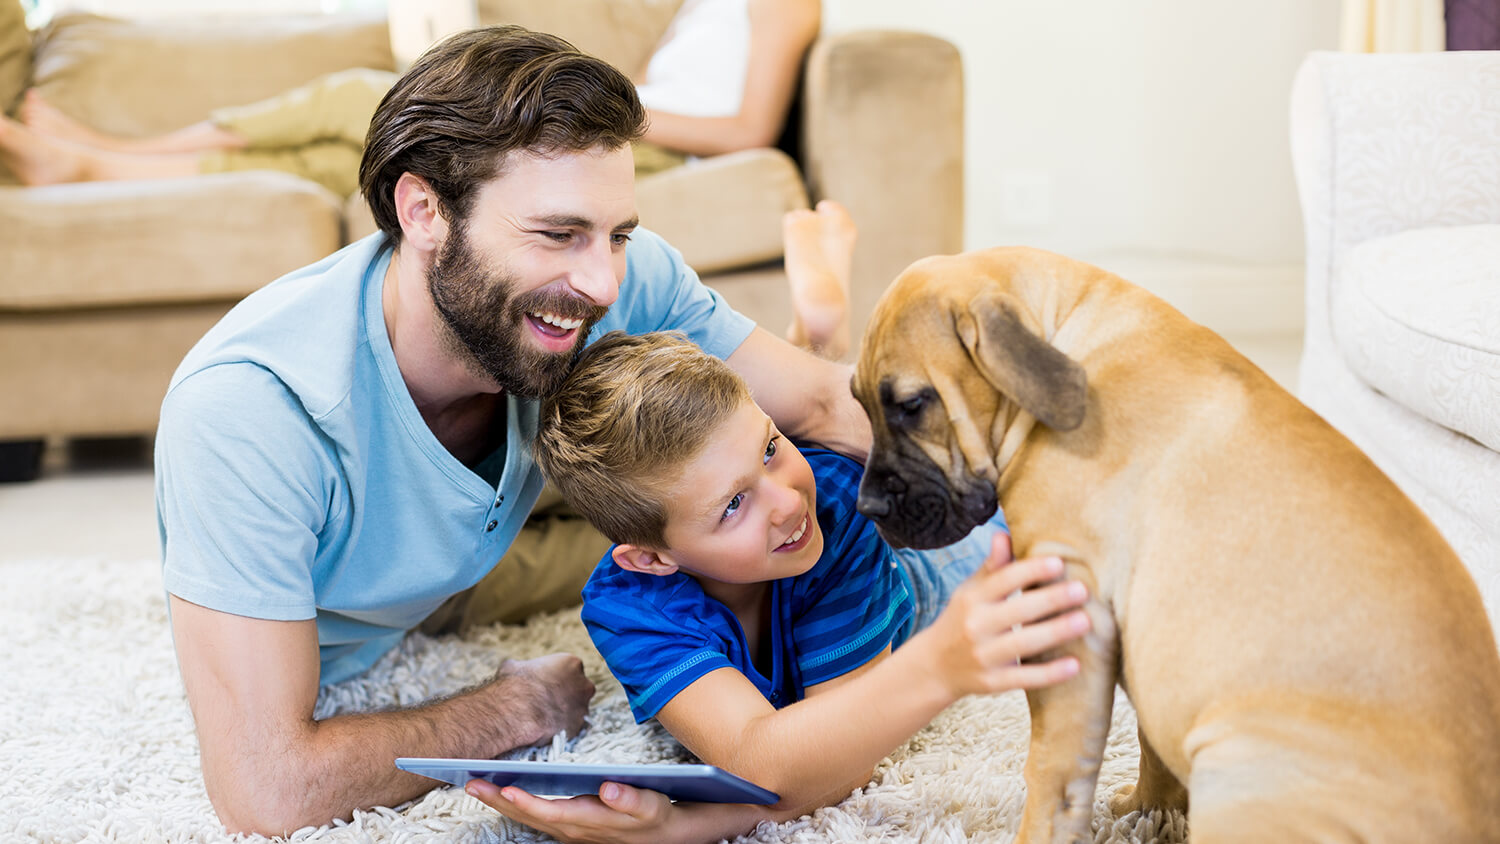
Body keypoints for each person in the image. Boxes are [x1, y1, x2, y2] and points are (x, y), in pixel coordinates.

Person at [152, 23, 878, 839]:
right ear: (423, 210)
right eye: (558, 234)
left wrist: (1027, 475)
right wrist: (511, 709)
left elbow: (820, 407)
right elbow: (267, 790)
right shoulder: (249, 414)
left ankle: (819, 327)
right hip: (402, 597)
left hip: (513, 513)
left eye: (618, 235)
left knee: (720, 502)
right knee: (670, 548)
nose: (604, 282)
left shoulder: (610, 284)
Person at [488, 330, 1090, 837]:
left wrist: (682, 828)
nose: (785, 504)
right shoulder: (629, 604)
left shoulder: (838, 512)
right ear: (652, 559)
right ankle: (817, 324)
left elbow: (838, 766)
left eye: (772, 448)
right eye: (732, 506)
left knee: (1063, 504)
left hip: (958, 550)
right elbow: (761, 760)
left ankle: (819, 324)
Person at [0, 0, 849, 356]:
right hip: (611, 132)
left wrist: (575, 118)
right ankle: (95, 159)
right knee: (341, 153)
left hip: (639, 148)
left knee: (355, 97)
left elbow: (746, 125)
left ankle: (104, 157)